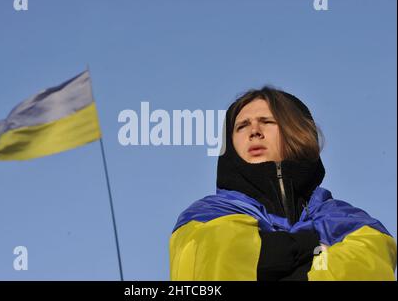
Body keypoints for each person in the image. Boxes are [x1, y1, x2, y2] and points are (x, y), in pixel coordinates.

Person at [169, 86, 397, 281]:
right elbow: (213, 265)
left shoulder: (352, 222)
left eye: (267, 122)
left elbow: (370, 266)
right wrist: (311, 248)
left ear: (297, 133)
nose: (254, 132)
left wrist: (272, 259)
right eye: (241, 126)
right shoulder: (204, 217)